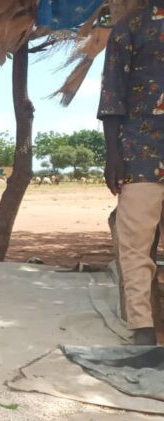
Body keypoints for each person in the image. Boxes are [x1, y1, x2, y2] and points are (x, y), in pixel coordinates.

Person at [98, 0, 164, 346]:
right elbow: (113, 95)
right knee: (136, 247)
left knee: (135, 248)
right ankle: (143, 333)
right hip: (139, 154)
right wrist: (113, 156)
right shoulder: (129, 27)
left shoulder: (130, 25)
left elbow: (111, 97)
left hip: (139, 156)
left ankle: (146, 331)